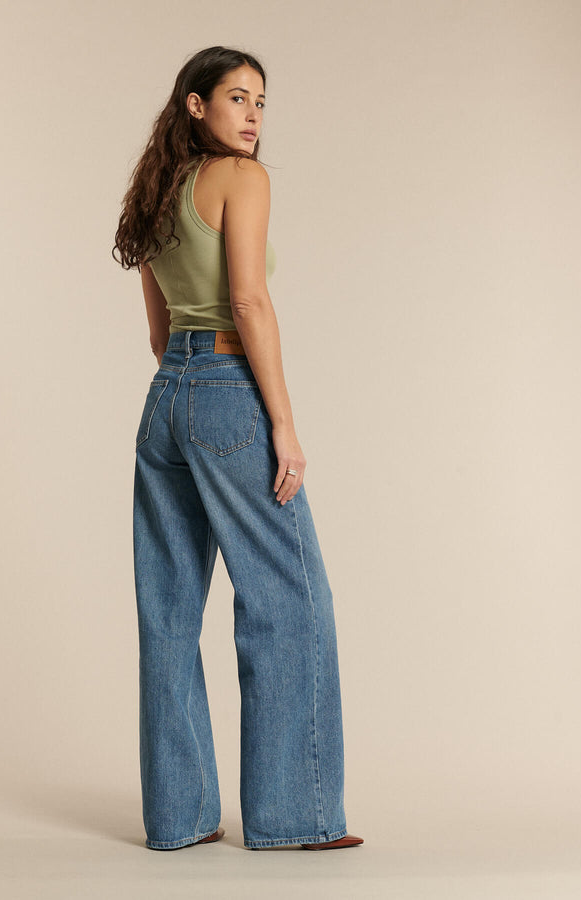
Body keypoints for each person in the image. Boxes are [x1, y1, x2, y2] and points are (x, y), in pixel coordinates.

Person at [112, 45, 362, 852]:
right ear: (196, 104)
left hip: (166, 401)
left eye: (261, 102)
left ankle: (179, 819)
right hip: (228, 390)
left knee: (168, 611)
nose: (253, 115)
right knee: (289, 598)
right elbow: (249, 301)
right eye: (236, 98)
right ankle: (294, 816)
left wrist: (190, 391)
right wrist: (280, 423)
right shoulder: (242, 179)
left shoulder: (155, 192)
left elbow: (160, 334)